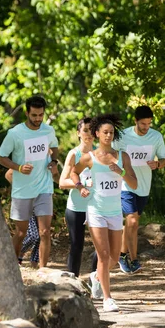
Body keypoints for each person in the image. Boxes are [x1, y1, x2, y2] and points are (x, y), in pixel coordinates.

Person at [70, 114, 137, 312]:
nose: (108, 135)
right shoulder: (89, 158)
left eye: (111, 132)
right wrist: (79, 185)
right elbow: (74, 171)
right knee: (103, 255)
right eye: (105, 132)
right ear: (97, 134)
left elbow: (134, 184)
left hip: (115, 211)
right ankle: (107, 299)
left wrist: (121, 172)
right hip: (96, 210)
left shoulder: (122, 156)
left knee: (114, 258)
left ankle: (96, 276)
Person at [0, 95, 59, 268]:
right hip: (22, 190)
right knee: (21, 232)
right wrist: (18, 168)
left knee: (45, 232)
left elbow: (54, 148)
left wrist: (53, 161)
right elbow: (1, 157)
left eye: (41, 115)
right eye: (34, 115)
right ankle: (12, 266)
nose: (38, 119)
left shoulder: (48, 130)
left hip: (44, 187)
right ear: (27, 113)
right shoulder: (15, 133)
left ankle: (43, 270)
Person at [116, 105, 165, 273]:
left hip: (144, 186)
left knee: (134, 223)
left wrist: (158, 164)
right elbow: (110, 153)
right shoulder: (123, 136)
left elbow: (164, 159)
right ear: (135, 121)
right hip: (125, 185)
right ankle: (126, 256)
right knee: (131, 220)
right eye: (143, 124)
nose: (146, 127)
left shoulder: (156, 136)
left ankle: (129, 257)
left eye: (149, 123)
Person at [58, 117, 94, 277]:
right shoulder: (74, 154)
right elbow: (62, 182)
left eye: (92, 130)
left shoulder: (100, 153)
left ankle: (96, 280)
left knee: (102, 247)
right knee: (77, 246)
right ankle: (73, 284)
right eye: (85, 130)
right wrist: (83, 183)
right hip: (76, 207)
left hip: (96, 207)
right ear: (78, 133)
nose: (89, 133)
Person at [6, 162, 59, 268]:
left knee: (43, 234)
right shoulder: (32, 158)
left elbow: (58, 180)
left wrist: (55, 172)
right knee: (32, 235)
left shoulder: (50, 161)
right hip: (27, 201)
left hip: (42, 201)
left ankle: (36, 265)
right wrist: (22, 190)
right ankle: (16, 256)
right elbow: (9, 174)